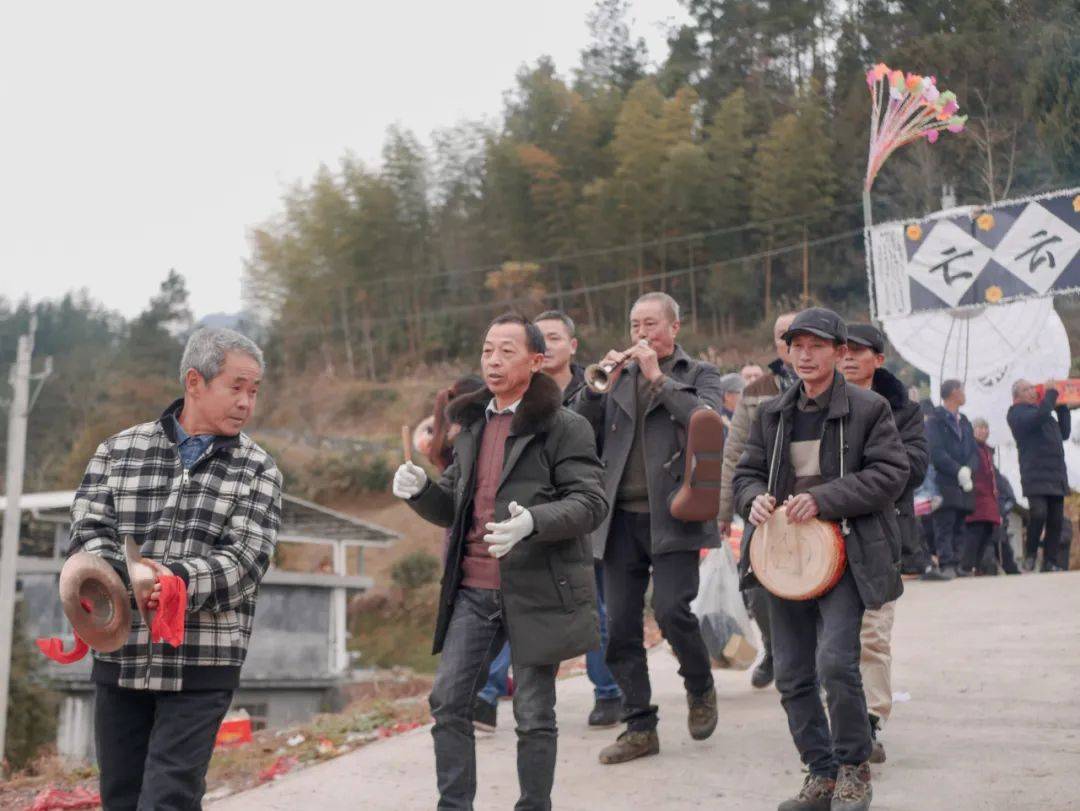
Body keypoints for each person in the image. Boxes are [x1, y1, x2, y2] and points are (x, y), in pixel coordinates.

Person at [393, 312, 607, 810]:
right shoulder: (471, 425)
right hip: (473, 587)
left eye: (507, 351)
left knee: (533, 713)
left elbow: (591, 503)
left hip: (536, 587)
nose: (493, 360)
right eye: (488, 349)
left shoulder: (564, 427)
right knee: (448, 703)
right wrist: (421, 490)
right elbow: (452, 504)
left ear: (536, 361)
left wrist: (533, 521)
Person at [68, 328, 282, 810]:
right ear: (195, 381)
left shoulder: (258, 469)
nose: (247, 401)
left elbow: (245, 561)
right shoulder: (118, 451)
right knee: (120, 797)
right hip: (120, 656)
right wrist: (126, 581)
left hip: (202, 663)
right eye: (236, 386)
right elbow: (87, 530)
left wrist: (170, 582)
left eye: (254, 390)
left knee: (169, 797)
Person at [733, 308, 908, 811]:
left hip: (847, 554)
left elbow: (890, 474)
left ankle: (854, 768)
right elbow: (744, 474)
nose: (805, 355)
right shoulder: (772, 413)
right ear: (787, 352)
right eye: (797, 346)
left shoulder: (869, 408)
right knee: (791, 672)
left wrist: (826, 498)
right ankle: (820, 773)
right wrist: (753, 500)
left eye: (817, 346)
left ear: (839, 351)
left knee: (835, 663)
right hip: (784, 559)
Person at [571, 291, 723, 765]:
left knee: (674, 610)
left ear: (674, 328)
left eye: (652, 325)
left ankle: (699, 686)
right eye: (636, 325)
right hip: (619, 520)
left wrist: (658, 380)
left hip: (674, 515)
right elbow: (577, 429)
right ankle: (640, 726)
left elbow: (708, 422)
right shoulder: (616, 376)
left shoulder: (699, 374)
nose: (642, 334)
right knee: (618, 626)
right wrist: (597, 388)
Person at [473, 310, 624, 732]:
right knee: (514, 609)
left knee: (590, 606)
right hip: (523, 524)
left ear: (570, 347)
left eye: (558, 338)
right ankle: (488, 691)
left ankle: (607, 690)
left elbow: (596, 441)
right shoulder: (506, 397)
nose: (552, 345)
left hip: (578, 512)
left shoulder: (590, 387)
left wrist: (596, 393)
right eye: (546, 337)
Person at [841, 323, 935, 767]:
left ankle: (869, 722)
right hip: (823, 533)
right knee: (833, 638)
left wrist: (869, 452)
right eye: (843, 350)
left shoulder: (903, 409)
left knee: (873, 635)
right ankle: (843, 721)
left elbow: (913, 468)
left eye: (860, 352)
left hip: (881, 532)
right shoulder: (816, 402)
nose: (849, 358)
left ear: (878, 359)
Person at [719, 311, 798, 690]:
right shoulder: (757, 391)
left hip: (818, 506)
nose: (791, 342)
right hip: (763, 505)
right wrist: (723, 511)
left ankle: (807, 656)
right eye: (783, 335)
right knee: (757, 585)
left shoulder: (834, 384)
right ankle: (773, 648)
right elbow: (733, 454)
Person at [1007, 379, 1072, 572]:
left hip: (1055, 473)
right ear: (1017, 395)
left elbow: (1064, 433)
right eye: (1027, 389)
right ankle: (1031, 553)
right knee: (1039, 513)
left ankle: (1049, 561)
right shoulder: (1017, 414)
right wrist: (1051, 394)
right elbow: (1040, 417)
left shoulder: (1043, 413)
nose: (1033, 391)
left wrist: (1062, 408)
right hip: (1035, 473)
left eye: (1032, 388)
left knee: (1056, 520)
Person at [925, 380, 978, 576]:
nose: (964, 394)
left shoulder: (964, 421)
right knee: (945, 523)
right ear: (954, 392)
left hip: (963, 482)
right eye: (962, 390)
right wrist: (957, 470)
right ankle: (946, 562)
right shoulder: (935, 420)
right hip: (944, 481)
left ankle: (957, 562)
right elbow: (936, 452)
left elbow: (974, 451)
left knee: (960, 523)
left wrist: (969, 470)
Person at [958, 418, 1004, 576]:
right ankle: (966, 566)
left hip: (989, 498)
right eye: (979, 427)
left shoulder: (988, 450)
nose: (983, 431)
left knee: (987, 532)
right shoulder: (969, 447)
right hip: (975, 495)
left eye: (986, 427)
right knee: (975, 532)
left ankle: (977, 566)